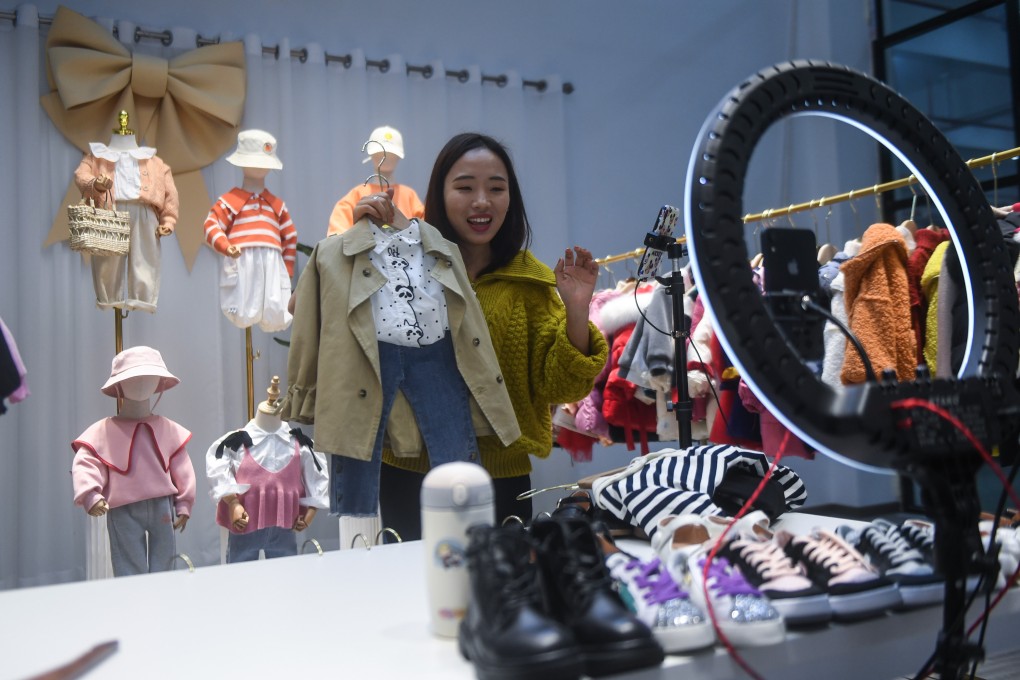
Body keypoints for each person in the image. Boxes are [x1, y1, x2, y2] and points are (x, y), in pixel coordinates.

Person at [377, 132, 609, 537]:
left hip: (498, 475)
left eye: (496, 188)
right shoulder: (404, 266)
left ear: (510, 198)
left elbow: (562, 385)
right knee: (411, 589)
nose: (481, 201)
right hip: (410, 468)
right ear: (440, 194)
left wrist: (576, 309)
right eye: (465, 187)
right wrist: (364, 242)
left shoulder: (529, 283)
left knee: (500, 591)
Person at [71, 346, 195, 576]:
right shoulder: (104, 431)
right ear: (119, 385)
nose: (141, 383)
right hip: (122, 508)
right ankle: (134, 607)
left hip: (161, 505)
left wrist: (184, 503)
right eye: (133, 378)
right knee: (129, 568)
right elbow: (86, 462)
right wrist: (91, 494)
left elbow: (182, 467)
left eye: (148, 377)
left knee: (165, 566)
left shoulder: (167, 428)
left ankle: (164, 606)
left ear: (159, 381)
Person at [206, 377, 328, 562]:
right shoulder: (235, 443)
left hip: (286, 527)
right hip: (244, 524)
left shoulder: (300, 444)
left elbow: (317, 476)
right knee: (241, 578)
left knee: (285, 577)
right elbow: (217, 468)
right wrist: (233, 503)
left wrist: (310, 512)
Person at [74, 110, 179, 313]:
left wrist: (168, 220)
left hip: (144, 212)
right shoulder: (97, 157)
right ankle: (108, 296)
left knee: (146, 257)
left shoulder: (154, 161)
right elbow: (81, 176)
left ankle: (143, 297)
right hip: (108, 211)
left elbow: (170, 192)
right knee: (106, 259)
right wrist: (95, 184)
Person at [203, 129, 297, 332]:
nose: (259, 166)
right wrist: (226, 247)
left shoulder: (276, 205)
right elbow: (211, 225)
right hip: (242, 259)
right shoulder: (230, 201)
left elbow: (290, 237)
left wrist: (287, 270)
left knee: (275, 305)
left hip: (272, 262)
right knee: (242, 301)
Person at [325, 125, 425, 236]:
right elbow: (336, 238)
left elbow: (426, 236)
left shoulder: (409, 196)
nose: (385, 158)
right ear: (371, 155)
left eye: (391, 155)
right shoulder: (355, 196)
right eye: (380, 154)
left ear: (398, 157)